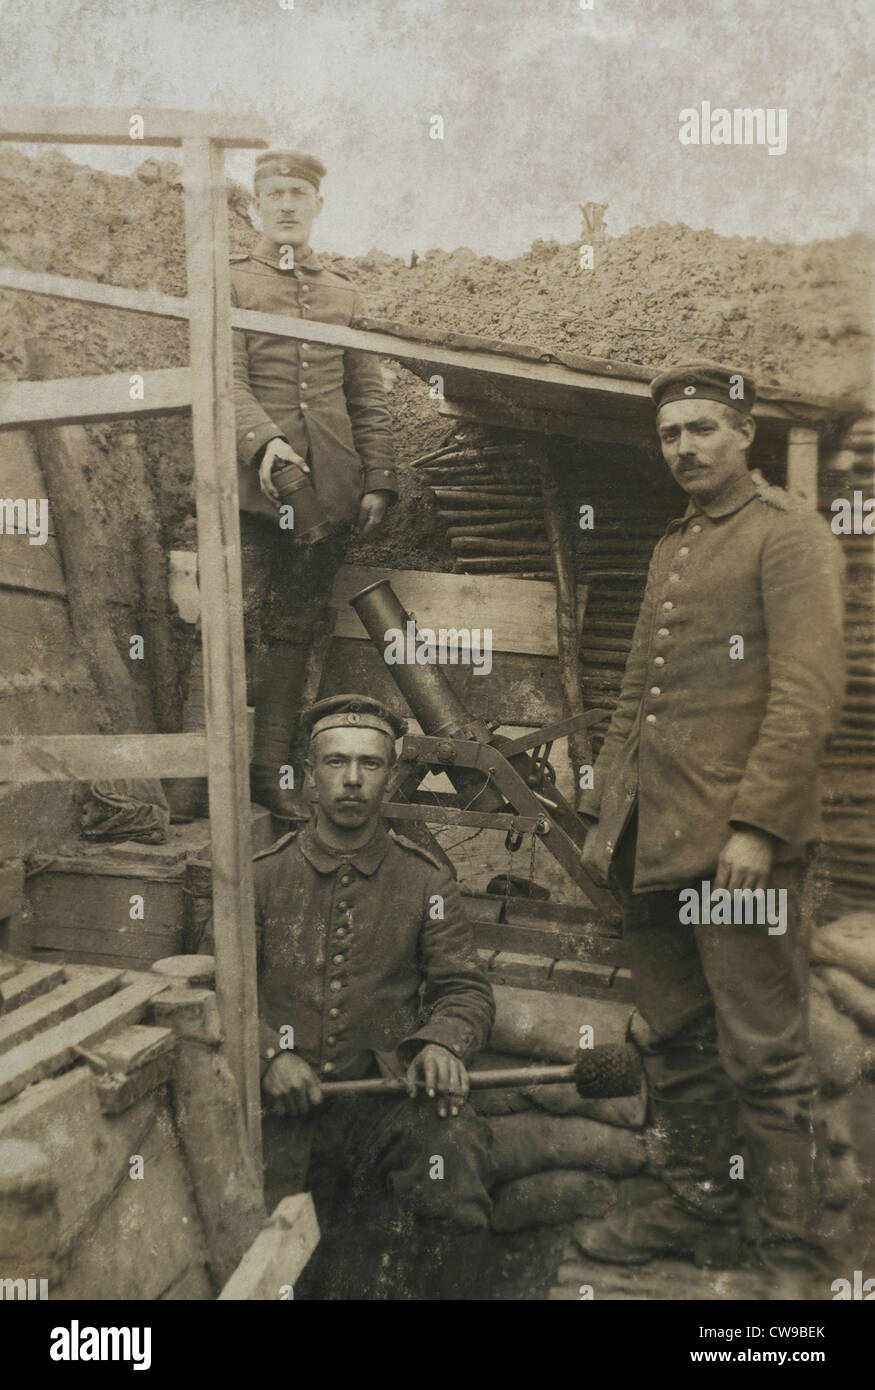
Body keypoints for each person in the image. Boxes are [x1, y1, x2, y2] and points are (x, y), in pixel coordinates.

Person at [575, 362, 845, 1295]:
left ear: (743, 435)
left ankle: (790, 1261)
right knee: (682, 1040)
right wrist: (605, 811)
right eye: (669, 434)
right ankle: (697, 1206)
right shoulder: (673, 545)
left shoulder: (789, 537)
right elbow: (633, 701)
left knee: (766, 1059)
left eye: (702, 428)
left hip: (737, 855)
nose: (683, 447)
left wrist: (758, 827)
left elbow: (806, 695)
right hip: (654, 843)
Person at [236, 693, 495, 1297]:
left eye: (370, 765)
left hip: (383, 1107)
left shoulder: (426, 879)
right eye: (335, 763)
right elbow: (220, 992)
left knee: (453, 1161)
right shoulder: (260, 877)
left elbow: (464, 990)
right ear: (308, 778)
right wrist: (270, 1055)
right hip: (281, 1114)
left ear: (389, 778)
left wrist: (440, 1045)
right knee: (265, 1254)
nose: (352, 780)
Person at [230, 150, 399, 820]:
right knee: (231, 620)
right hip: (249, 492)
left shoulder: (342, 296)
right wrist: (265, 447)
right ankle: (202, 773)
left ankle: (267, 775)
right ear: (255, 206)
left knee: (293, 632)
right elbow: (226, 380)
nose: (287, 205)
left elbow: (368, 396)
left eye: (299, 194)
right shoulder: (232, 283)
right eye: (273, 193)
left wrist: (379, 478)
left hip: (327, 497)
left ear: (317, 207)